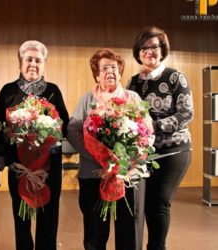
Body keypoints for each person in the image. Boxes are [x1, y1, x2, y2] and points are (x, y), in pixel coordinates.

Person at [67, 48, 147, 250]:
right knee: (94, 229)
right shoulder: (87, 100)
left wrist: (126, 159)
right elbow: (73, 129)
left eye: (114, 67)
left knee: (128, 229)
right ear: (96, 74)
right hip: (94, 173)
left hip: (126, 175)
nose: (110, 71)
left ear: (120, 72)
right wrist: (95, 154)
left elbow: (147, 131)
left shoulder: (133, 98)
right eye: (104, 68)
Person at [0, 40, 69, 250]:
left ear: (44, 64)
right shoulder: (8, 91)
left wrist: (48, 135)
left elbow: (63, 125)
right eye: (29, 59)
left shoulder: (53, 91)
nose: (33, 64)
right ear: (20, 62)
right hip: (20, 167)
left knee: (49, 218)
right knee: (22, 219)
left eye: (38, 60)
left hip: (49, 168)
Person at [127, 26, 194, 250]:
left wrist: (153, 126)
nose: (149, 52)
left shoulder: (175, 77)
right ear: (138, 52)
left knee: (159, 202)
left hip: (174, 151)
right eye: (144, 48)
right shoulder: (133, 82)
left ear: (162, 49)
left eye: (154, 47)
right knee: (143, 205)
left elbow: (186, 113)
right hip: (143, 153)